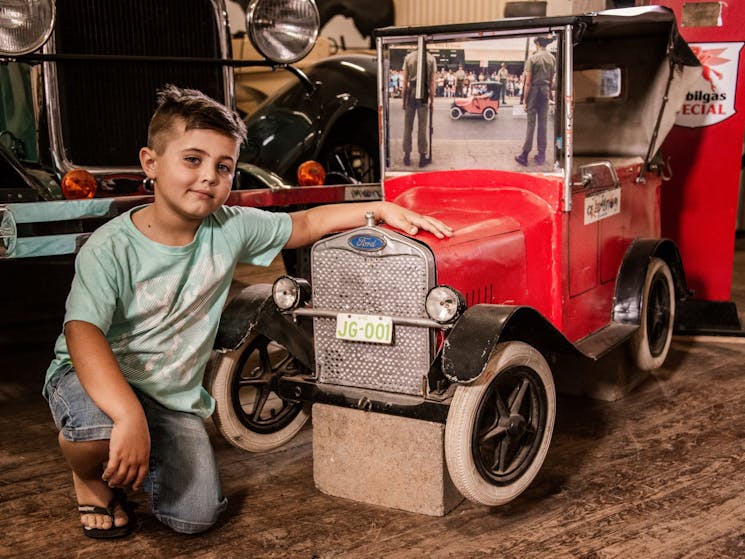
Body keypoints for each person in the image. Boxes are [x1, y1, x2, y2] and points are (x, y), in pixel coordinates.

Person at [43, 85, 453, 539]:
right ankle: (88, 476)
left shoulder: (230, 227)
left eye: (224, 167)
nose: (209, 177)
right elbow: (83, 333)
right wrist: (126, 415)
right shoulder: (110, 247)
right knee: (96, 430)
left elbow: (306, 224)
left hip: (167, 395)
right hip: (93, 378)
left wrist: (378, 208)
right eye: (192, 160)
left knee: (195, 517)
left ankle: (140, 438)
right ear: (150, 163)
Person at [515, 36, 556, 167]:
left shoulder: (533, 58)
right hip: (545, 91)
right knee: (543, 123)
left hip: (534, 91)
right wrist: (550, 95)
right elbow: (551, 80)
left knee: (531, 124)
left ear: (537, 43)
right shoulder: (552, 58)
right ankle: (541, 155)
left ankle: (525, 155)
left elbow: (528, 83)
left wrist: (525, 100)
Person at [401, 49, 436, 167]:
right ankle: (422, 157)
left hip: (411, 92)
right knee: (422, 126)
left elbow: (405, 81)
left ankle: (406, 156)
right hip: (423, 93)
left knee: (408, 125)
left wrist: (403, 99)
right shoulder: (431, 58)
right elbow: (432, 82)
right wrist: (432, 101)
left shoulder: (408, 57)